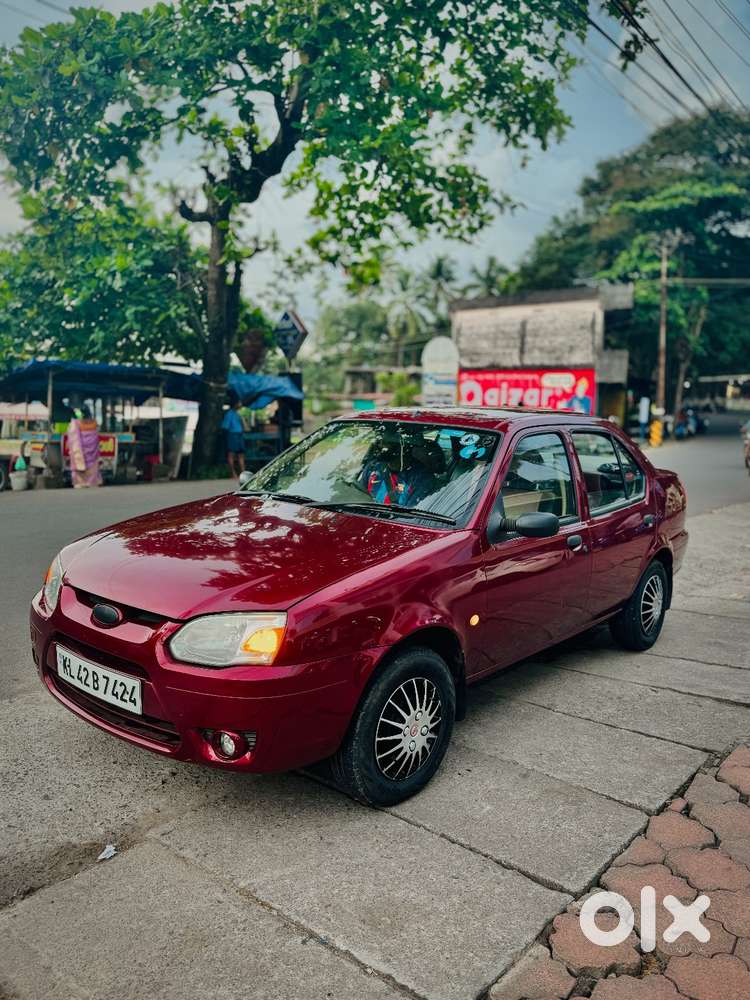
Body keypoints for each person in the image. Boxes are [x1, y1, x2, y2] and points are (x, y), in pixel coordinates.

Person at [67, 404, 102, 488]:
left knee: (79, 463)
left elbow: (72, 434)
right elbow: (96, 435)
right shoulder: (94, 422)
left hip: (81, 449)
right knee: (92, 465)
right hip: (93, 449)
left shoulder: (76, 423)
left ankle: (80, 482)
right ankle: (91, 481)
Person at [221, 396, 246, 478]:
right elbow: (225, 427)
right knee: (231, 454)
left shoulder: (238, 414)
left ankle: (243, 473)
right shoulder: (229, 414)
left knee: (241, 454)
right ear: (235, 404)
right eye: (239, 402)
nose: (240, 404)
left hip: (239, 435)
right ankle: (233, 473)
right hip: (232, 435)